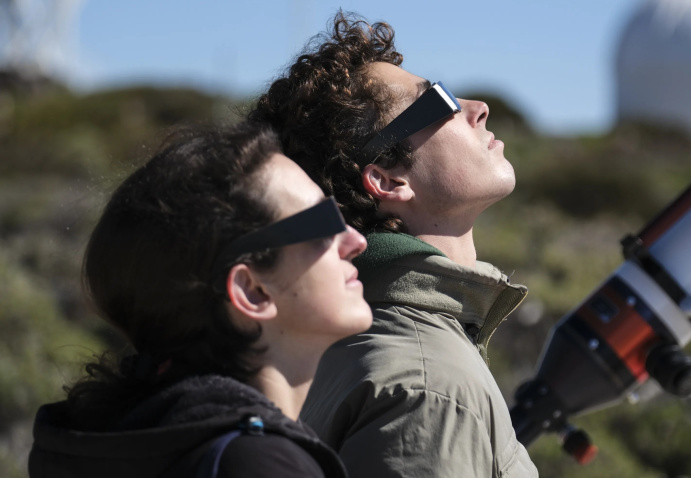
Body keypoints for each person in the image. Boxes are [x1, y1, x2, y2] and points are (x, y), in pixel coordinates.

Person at [248, 13, 538, 477]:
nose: (477, 107)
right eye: (438, 101)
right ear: (387, 179)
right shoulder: (427, 388)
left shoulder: (337, 347)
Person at [28, 122, 372, 478]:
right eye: (323, 221)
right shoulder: (260, 466)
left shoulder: (130, 443)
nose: (356, 240)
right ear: (252, 290)